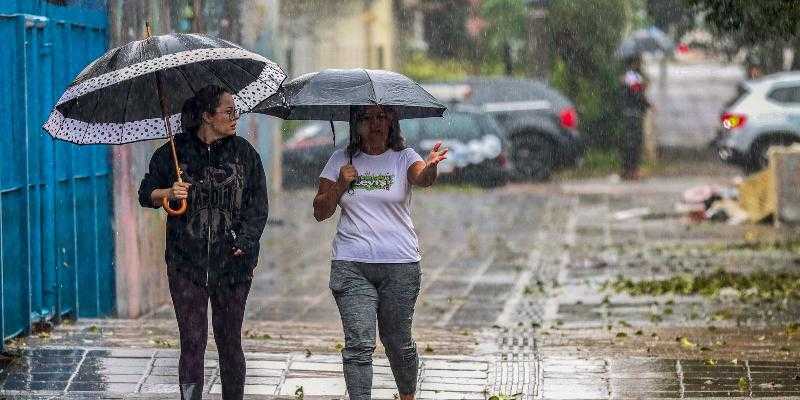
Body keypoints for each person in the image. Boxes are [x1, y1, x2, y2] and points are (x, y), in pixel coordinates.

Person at [138, 85, 268, 400]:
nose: (235, 116)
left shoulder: (244, 153)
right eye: (228, 111)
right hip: (186, 264)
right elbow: (146, 194)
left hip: (233, 264)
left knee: (229, 342)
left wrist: (246, 242)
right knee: (193, 341)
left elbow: (258, 206)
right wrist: (168, 193)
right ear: (207, 116)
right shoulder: (174, 152)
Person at [313, 105, 448, 400]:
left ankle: (407, 395)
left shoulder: (404, 158)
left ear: (391, 122)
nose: (375, 124)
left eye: (381, 117)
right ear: (355, 124)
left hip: (400, 265)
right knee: (359, 343)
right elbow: (320, 211)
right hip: (351, 265)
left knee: (397, 342)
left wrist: (432, 165)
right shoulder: (339, 160)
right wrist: (340, 184)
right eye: (366, 118)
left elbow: (422, 177)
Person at [619, 54, 652, 180]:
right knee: (634, 143)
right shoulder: (633, 77)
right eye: (639, 61)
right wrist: (648, 104)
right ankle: (631, 170)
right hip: (633, 114)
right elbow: (638, 96)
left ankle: (627, 169)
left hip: (629, 113)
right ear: (635, 62)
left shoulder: (628, 77)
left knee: (629, 142)